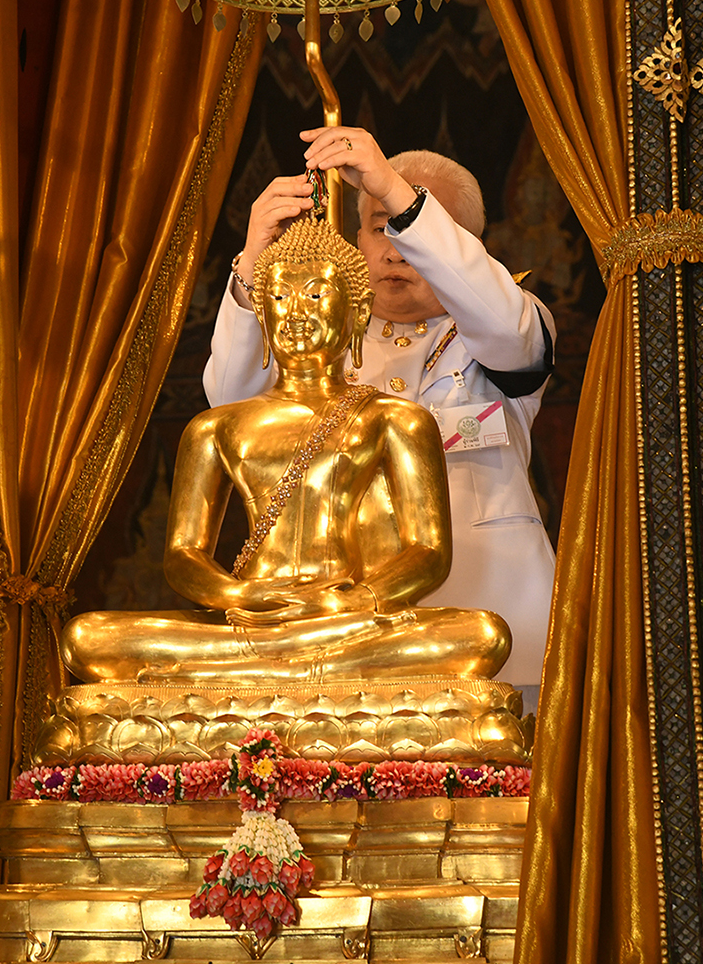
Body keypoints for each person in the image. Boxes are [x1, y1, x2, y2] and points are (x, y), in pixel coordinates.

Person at [63, 215, 510, 687]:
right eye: (279, 297)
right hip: (252, 619)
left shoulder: (396, 419)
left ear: (357, 312)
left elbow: (429, 552)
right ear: (262, 313)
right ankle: (300, 671)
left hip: (349, 618)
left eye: (315, 296)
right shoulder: (215, 427)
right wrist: (239, 596)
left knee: (482, 635)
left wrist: (349, 601)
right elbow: (183, 555)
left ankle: (246, 678)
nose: (295, 313)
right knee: (87, 637)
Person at [204, 127, 557, 705]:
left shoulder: (509, 322)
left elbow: (505, 326)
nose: (395, 250)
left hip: (491, 624)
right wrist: (252, 262)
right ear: (356, 239)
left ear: (467, 247)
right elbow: (230, 408)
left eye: (412, 227)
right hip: (344, 632)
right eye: (378, 227)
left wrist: (392, 188)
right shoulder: (317, 339)